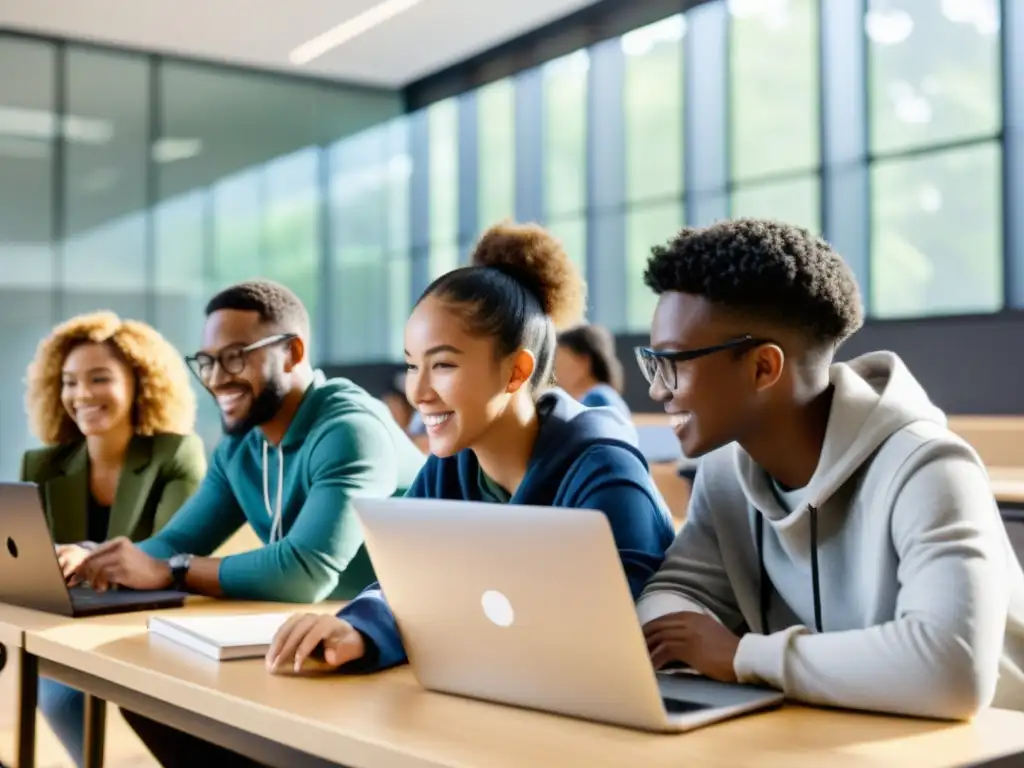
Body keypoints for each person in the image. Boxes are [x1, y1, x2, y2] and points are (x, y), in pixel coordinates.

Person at [632, 218, 1024, 719]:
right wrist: (687, 641)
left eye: (673, 363)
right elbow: (676, 593)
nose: (657, 390)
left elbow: (953, 668)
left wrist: (741, 657)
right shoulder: (726, 470)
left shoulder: (930, 469)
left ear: (763, 369)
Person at [265, 221, 676, 678]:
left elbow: (615, 632)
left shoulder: (604, 469)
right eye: (411, 365)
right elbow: (409, 583)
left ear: (517, 371)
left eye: (442, 364)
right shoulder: (452, 465)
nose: (418, 391)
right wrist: (358, 630)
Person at [74, 279, 426, 602]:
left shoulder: (351, 431)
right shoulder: (241, 446)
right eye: (207, 362)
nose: (216, 379)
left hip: (408, 631)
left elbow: (305, 573)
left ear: (293, 353)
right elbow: (174, 543)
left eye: (235, 358)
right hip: (329, 628)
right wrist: (90, 560)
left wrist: (173, 571)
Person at [22, 311, 206, 768]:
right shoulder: (42, 466)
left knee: (78, 698)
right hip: (66, 625)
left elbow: (174, 550)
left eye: (99, 378)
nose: (81, 394)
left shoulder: (175, 454)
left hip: (148, 626)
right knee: (60, 691)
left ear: (140, 383)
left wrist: (82, 554)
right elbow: (30, 561)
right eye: (68, 382)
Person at [555, 323, 631, 420]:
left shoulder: (597, 400)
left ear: (584, 362)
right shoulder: (606, 396)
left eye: (561, 363)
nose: (556, 372)